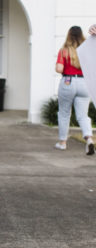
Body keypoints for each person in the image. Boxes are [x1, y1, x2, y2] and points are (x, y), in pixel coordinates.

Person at [55, 26, 94, 155]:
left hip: (68, 82)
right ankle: (89, 138)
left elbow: (59, 69)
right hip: (84, 83)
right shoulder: (87, 51)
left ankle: (62, 143)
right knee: (83, 115)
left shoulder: (64, 50)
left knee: (64, 113)